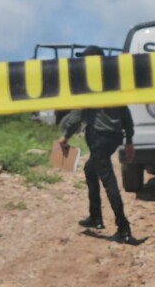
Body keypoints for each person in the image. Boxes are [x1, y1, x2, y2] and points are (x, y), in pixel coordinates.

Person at [58, 45, 135, 243]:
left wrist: (65, 136)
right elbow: (125, 113)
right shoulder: (112, 82)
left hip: (99, 139)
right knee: (90, 169)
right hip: (114, 137)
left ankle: (124, 228)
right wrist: (129, 140)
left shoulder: (90, 85)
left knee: (108, 181)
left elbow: (78, 115)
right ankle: (95, 217)